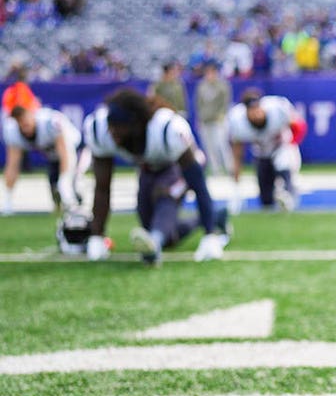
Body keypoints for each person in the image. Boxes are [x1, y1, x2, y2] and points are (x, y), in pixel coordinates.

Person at [82, 88, 228, 265]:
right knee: (162, 232)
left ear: (137, 124)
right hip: (149, 169)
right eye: (110, 126)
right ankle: (215, 216)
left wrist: (210, 235)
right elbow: (102, 187)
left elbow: (198, 183)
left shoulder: (168, 129)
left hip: (180, 165)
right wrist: (97, 236)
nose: (113, 133)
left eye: (119, 127)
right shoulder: (100, 129)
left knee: (165, 194)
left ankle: (155, 241)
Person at [227, 88, 305, 212]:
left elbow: (299, 125)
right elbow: (237, 154)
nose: (256, 113)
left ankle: (288, 193)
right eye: (252, 110)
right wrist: (236, 187)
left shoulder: (277, 108)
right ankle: (277, 197)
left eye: (257, 108)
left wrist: (291, 144)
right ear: (245, 111)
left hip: (282, 147)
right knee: (266, 201)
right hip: (261, 153)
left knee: (283, 163)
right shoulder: (237, 121)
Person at [2, 104, 83, 215]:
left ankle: (77, 210)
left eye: (26, 123)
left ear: (31, 115)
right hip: (54, 156)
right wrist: (7, 198)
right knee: (56, 191)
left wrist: (64, 182)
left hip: (75, 149)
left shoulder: (50, 122)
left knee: (70, 186)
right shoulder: (13, 130)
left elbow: (66, 153)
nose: (25, 129)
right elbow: (13, 165)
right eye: (20, 124)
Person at [194, 61, 234, 176]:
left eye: (212, 71)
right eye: (208, 72)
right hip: (205, 120)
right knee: (209, 146)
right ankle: (215, 169)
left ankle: (230, 167)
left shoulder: (223, 85)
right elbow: (199, 103)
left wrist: (221, 116)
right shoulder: (202, 85)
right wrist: (199, 118)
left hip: (218, 120)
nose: (210, 74)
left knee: (222, 145)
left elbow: (225, 102)